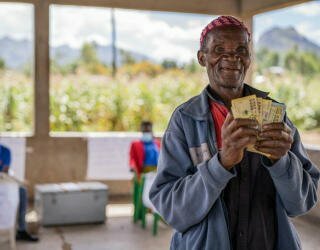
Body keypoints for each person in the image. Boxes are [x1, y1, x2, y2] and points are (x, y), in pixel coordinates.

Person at [149, 15, 319, 250]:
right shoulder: (186, 121)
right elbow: (171, 210)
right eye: (219, 49)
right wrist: (221, 163)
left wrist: (283, 161)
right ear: (202, 57)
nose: (232, 58)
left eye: (241, 50)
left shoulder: (274, 116)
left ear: (249, 58)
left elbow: (302, 203)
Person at [0, 143, 39, 242]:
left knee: (22, 191)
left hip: (2, 182)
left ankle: (21, 229)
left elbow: (4, 171)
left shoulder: (5, 151)